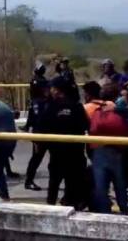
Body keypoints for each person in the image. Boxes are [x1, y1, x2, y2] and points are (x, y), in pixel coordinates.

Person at [40, 76, 88, 210]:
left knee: (54, 185)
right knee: (72, 185)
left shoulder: (51, 107)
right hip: (75, 154)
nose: (51, 91)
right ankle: (70, 207)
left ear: (58, 90)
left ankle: (50, 209)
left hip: (58, 154)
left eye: (52, 88)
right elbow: (85, 125)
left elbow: (42, 128)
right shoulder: (77, 106)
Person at [89, 85, 128, 214]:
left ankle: (104, 212)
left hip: (99, 150)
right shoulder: (120, 110)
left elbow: (92, 129)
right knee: (120, 184)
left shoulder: (95, 110)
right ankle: (124, 210)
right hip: (117, 151)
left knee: (101, 186)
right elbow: (127, 130)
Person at [24, 68, 50, 191]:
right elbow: (35, 119)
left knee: (56, 158)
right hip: (40, 134)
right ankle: (29, 181)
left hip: (50, 133)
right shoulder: (37, 102)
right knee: (36, 158)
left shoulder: (48, 101)